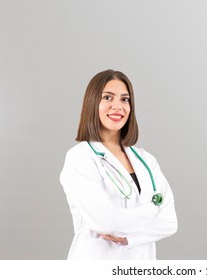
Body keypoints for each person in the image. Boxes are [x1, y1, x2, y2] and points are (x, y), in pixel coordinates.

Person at [60, 69, 178, 259]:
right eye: (107, 97)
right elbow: (106, 222)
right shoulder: (80, 158)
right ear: (92, 103)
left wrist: (129, 237)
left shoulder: (146, 161)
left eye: (125, 99)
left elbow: (170, 222)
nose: (118, 106)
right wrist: (152, 211)